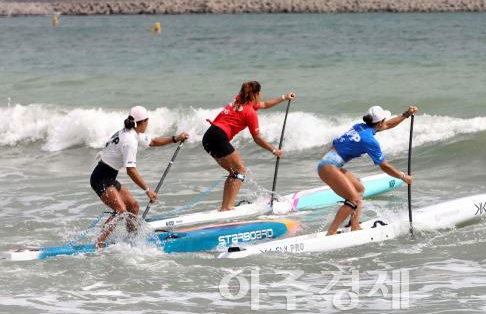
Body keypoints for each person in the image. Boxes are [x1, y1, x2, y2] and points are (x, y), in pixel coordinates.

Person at [90, 106, 189, 247]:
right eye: (147, 121)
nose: (147, 124)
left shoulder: (131, 133)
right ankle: (98, 243)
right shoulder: (129, 140)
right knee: (121, 211)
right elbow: (130, 170)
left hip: (109, 177)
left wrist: (175, 138)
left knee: (133, 206)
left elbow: (153, 142)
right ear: (142, 122)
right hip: (100, 179)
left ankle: (132, 240)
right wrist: (147, 190)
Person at [318, 105, 418, 235]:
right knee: (353, 199)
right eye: (384, 120)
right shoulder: (370, 140)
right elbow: (384, 166)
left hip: (328, 165)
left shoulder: (359, 126)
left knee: (359, 190)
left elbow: (388, 124)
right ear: (379, 122)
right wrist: (403, 177)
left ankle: (355, 226)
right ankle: (330, 234)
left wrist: (406, 115)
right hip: (329, 168)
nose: (385, 123)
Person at [202, 81, 295, 211]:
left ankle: (225, 207)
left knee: (234, 172)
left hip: (208, 136)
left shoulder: (238, 100)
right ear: (257, 94)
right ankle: (228, 207)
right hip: (218, 137)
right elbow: (257, 138)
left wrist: (283, 98)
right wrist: (273, 150)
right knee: (239, 170)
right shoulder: (250, 113)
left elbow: (264, 104)